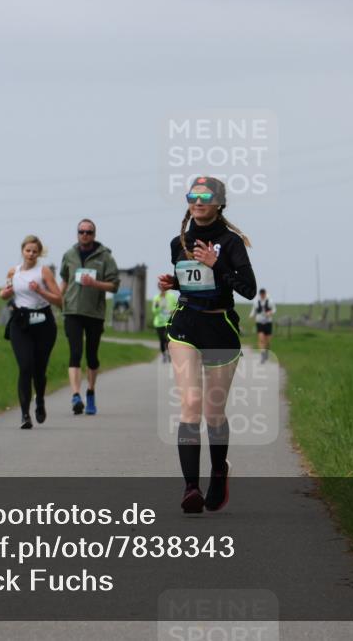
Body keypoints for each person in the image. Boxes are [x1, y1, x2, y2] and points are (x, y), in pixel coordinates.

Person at [158, 176, 256, 513]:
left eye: (206, 196)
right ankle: (190, 488)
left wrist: (219, 264)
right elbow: (191, 282)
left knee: (213, 412)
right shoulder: (179, 242)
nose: (198, 201)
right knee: (191, 402)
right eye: (193, 195)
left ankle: (218, 471)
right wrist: (174, 283)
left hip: (221, 327)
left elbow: (248, 289)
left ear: (219, 203)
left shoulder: (231, 243)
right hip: (185, 326)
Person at [58, 219, 120, 416]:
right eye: (81, 231)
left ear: (94, 234)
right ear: (77, 233)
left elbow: (114, 285)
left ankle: (90, 392)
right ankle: (76, 395)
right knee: (75, 352)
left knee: (91, 355)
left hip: (94, 312)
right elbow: (64, 281)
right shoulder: (69, 255)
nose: (85, 235)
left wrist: (95, 283)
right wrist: (59, 300)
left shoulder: (105, 257)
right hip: (72, 311)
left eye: (89, 232)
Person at [0, 235, 62, 429]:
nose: (31, 254)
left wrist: (40, 291)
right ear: (22, 251)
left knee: (39, 370)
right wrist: (7, 292)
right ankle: (25, 414)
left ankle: (40, 400)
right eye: (28, 250)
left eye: (35, 251)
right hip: (21, 323)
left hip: (43, 323)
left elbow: (59, 300)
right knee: (25, 367)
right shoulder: (13, 271)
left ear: (39, 253)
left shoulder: (43, 272)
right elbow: (4, 293)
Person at [152, 287, 177, 363]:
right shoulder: (156, 298)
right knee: (162, 340)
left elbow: (177, 306)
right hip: (159, 323)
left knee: (168, 339)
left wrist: (173, 310)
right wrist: (158, 307)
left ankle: (170, 354)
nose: (162, 289)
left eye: (163, 287)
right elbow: (154, 311)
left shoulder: (172, 296)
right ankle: (163, 355)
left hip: (169, 322)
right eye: (160, 287)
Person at [250, 287, 274, 363]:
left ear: (265, 294)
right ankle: (262, 354)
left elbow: (274, 309)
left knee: (268, 340)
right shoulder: (256, 301)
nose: (262, 295)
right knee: (261, 339)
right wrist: (251, 315)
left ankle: (266, 352)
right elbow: (253, 310)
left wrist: (270, 313)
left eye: (263, 294)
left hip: (268, 322)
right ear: (260, 294)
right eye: (261, 294)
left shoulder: (270, 301)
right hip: (259, 322)